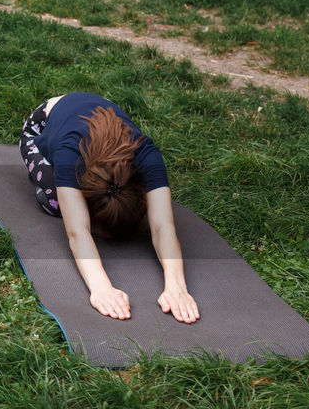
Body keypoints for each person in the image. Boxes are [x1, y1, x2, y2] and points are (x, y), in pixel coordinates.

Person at [19, 92, 199, 324]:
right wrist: (101, 287)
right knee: (56, 203)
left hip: (99, 113)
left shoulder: (146, 154)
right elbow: (77, 232)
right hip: (41, 124)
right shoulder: (69, 155)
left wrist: (177, 286)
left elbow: (163, 227)